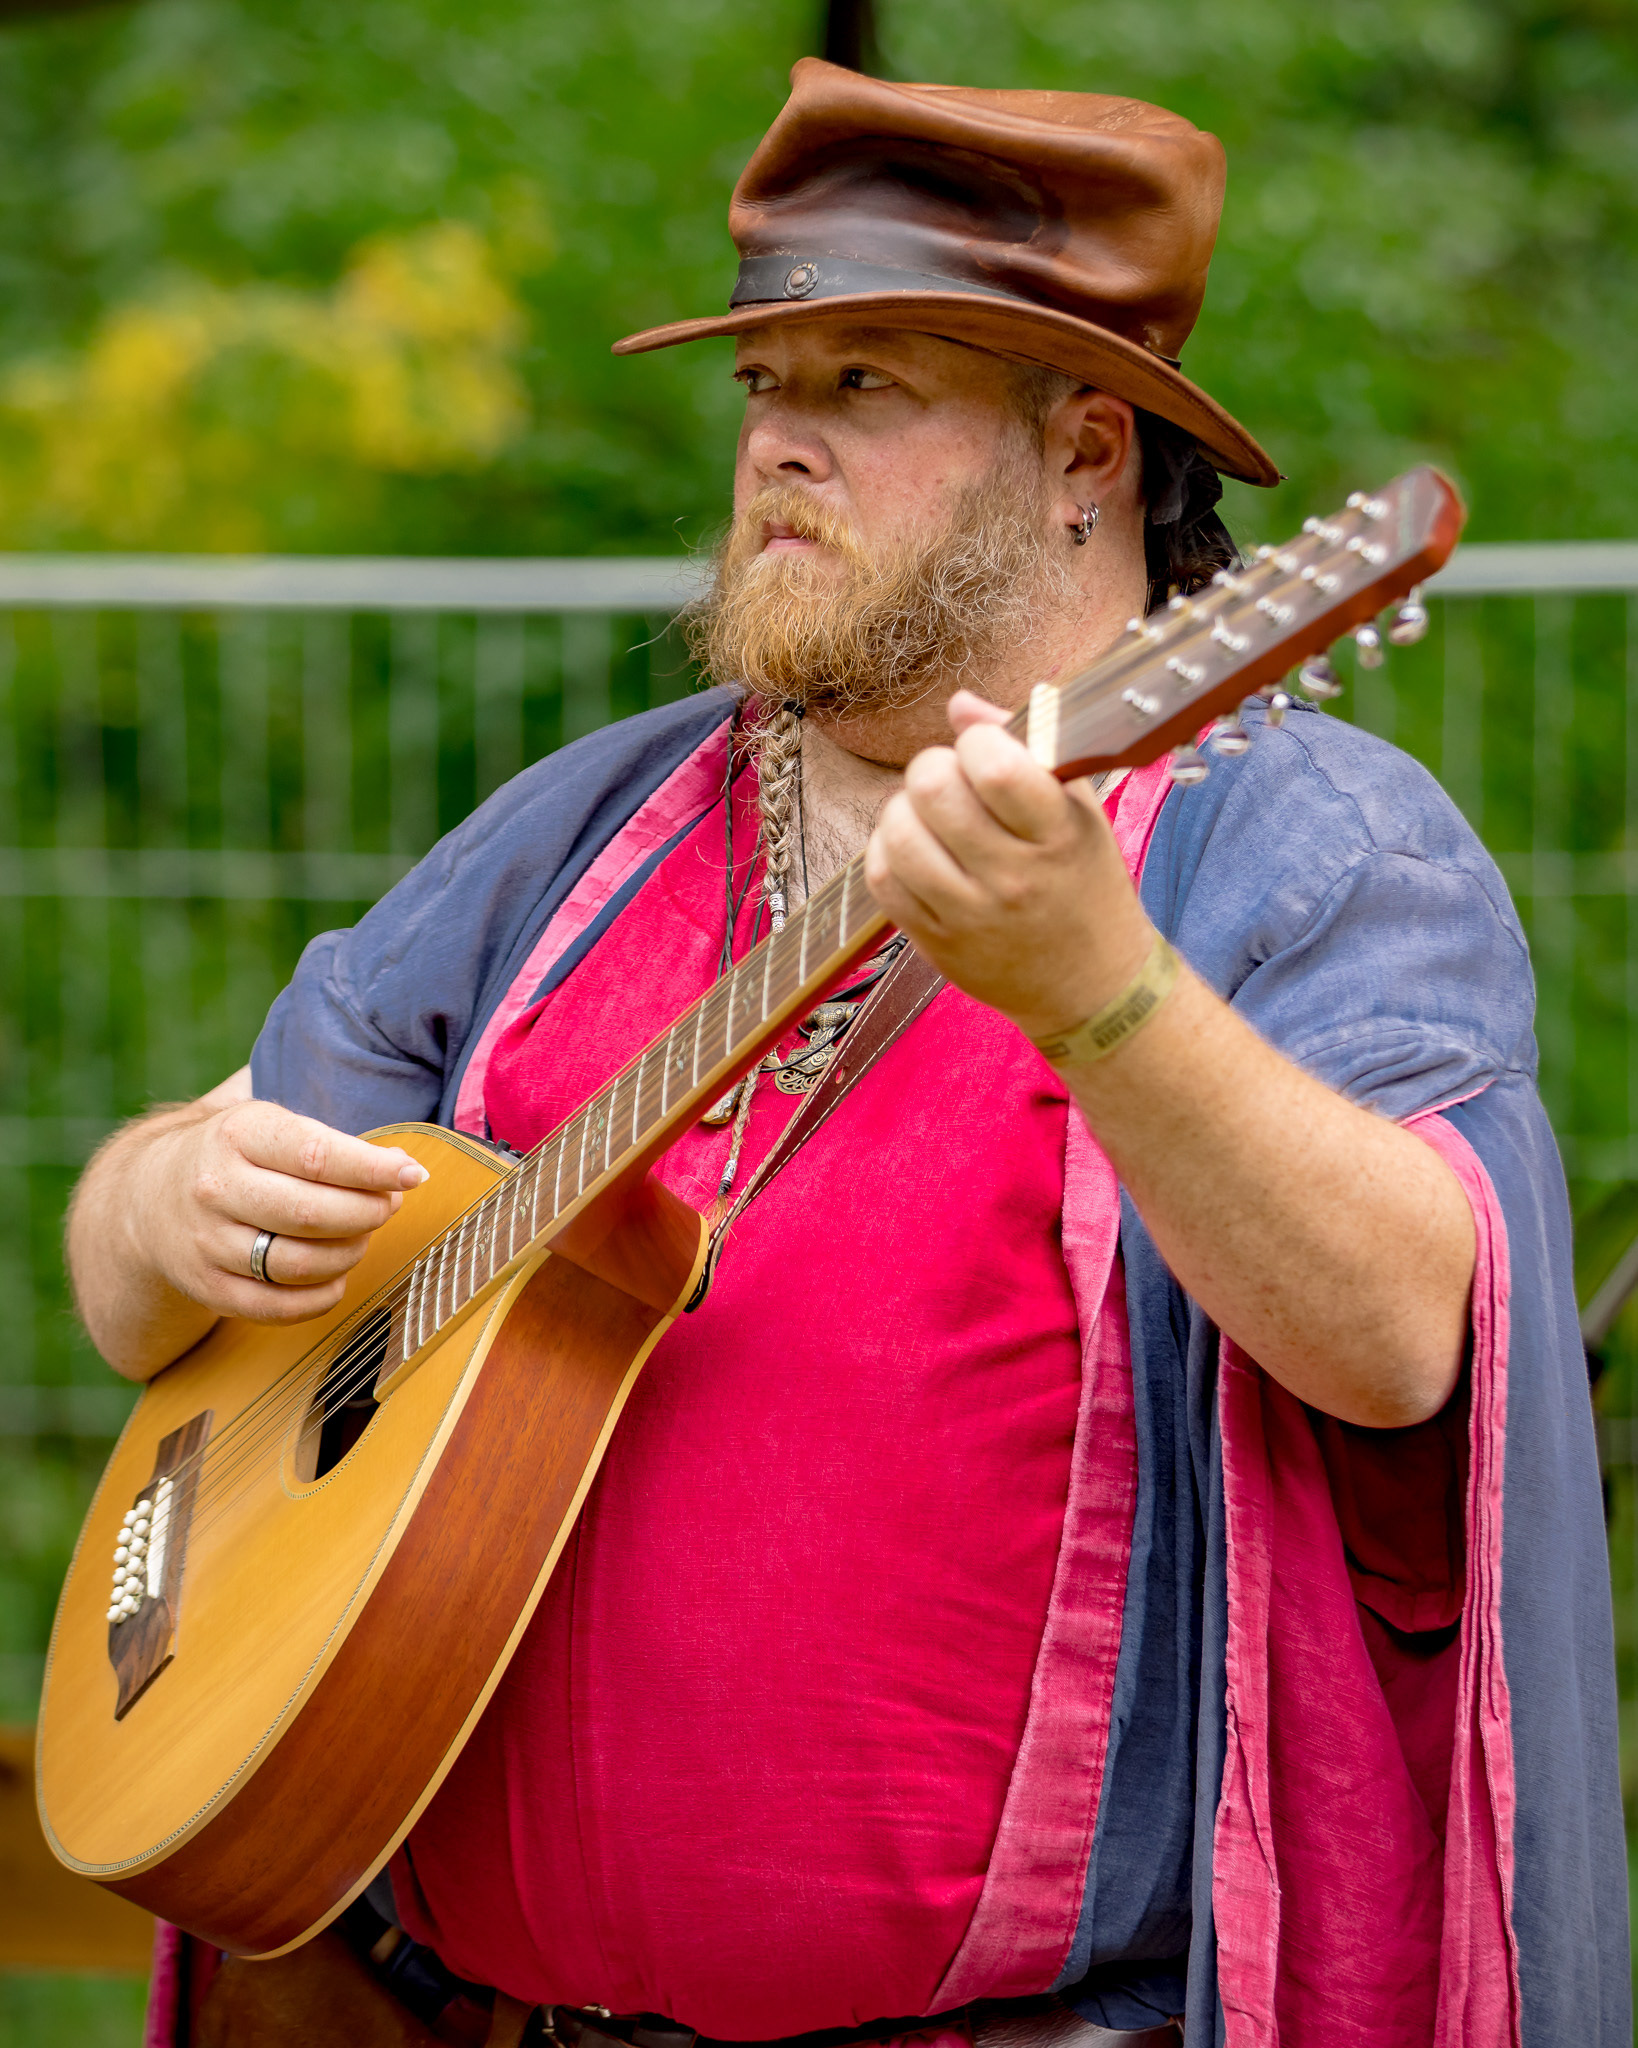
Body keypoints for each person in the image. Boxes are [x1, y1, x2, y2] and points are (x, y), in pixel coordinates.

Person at [68, 59, 1626, 2048]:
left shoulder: (1300, 843)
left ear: (1082, 449)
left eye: (861, 384)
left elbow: (1410, 1337)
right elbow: (143, 1292)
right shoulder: (584, 835)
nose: (775, 446)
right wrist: (153, 1203)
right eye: (761, 386)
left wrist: (1105, 995)